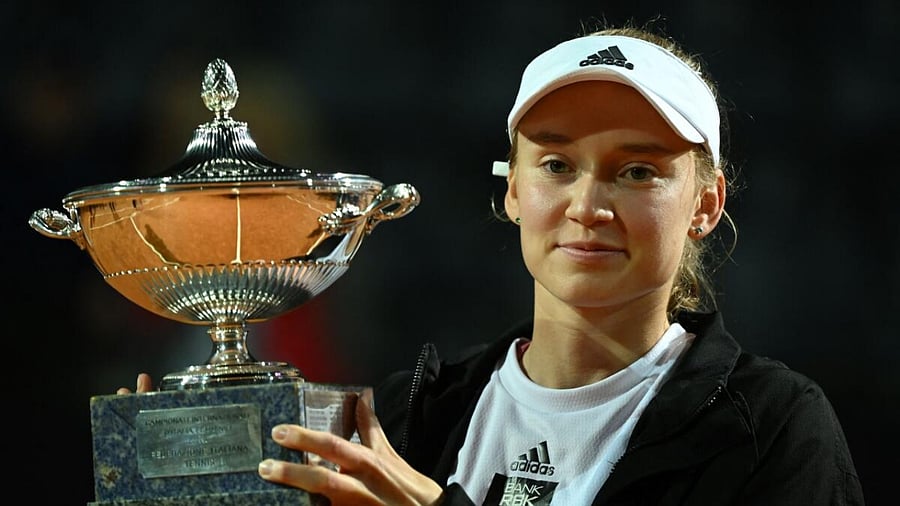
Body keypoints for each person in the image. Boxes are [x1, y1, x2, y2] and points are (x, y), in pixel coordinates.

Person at [122, 25, 865, 505]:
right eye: (556, 164)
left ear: (705, 203)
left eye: (638, 171)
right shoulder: (411, 419)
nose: (588, 204)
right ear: (512, 190)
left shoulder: (774, 429)